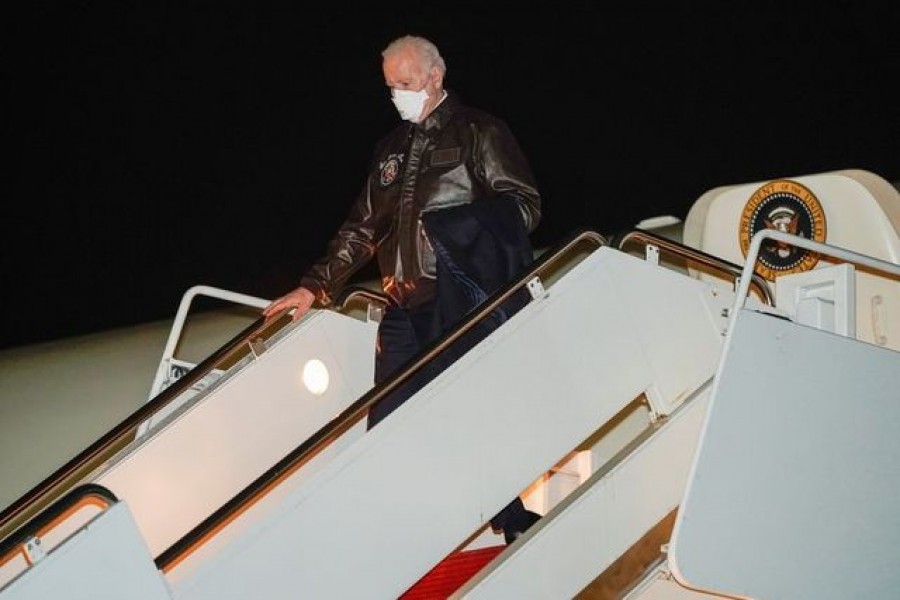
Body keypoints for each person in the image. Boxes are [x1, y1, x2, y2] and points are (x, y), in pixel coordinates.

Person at [262, 34, 541, 544]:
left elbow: (524, 206)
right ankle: (393, 527)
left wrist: (457, 228)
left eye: (406, 84)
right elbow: (361, 229)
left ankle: (512, 516)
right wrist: (313, 288)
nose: (398, 96)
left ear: (435, 75)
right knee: (387, 417)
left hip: (459, 294)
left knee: (469, 407)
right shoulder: (389, 150)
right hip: (403, 304)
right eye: (391, 87)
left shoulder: (480, 131)